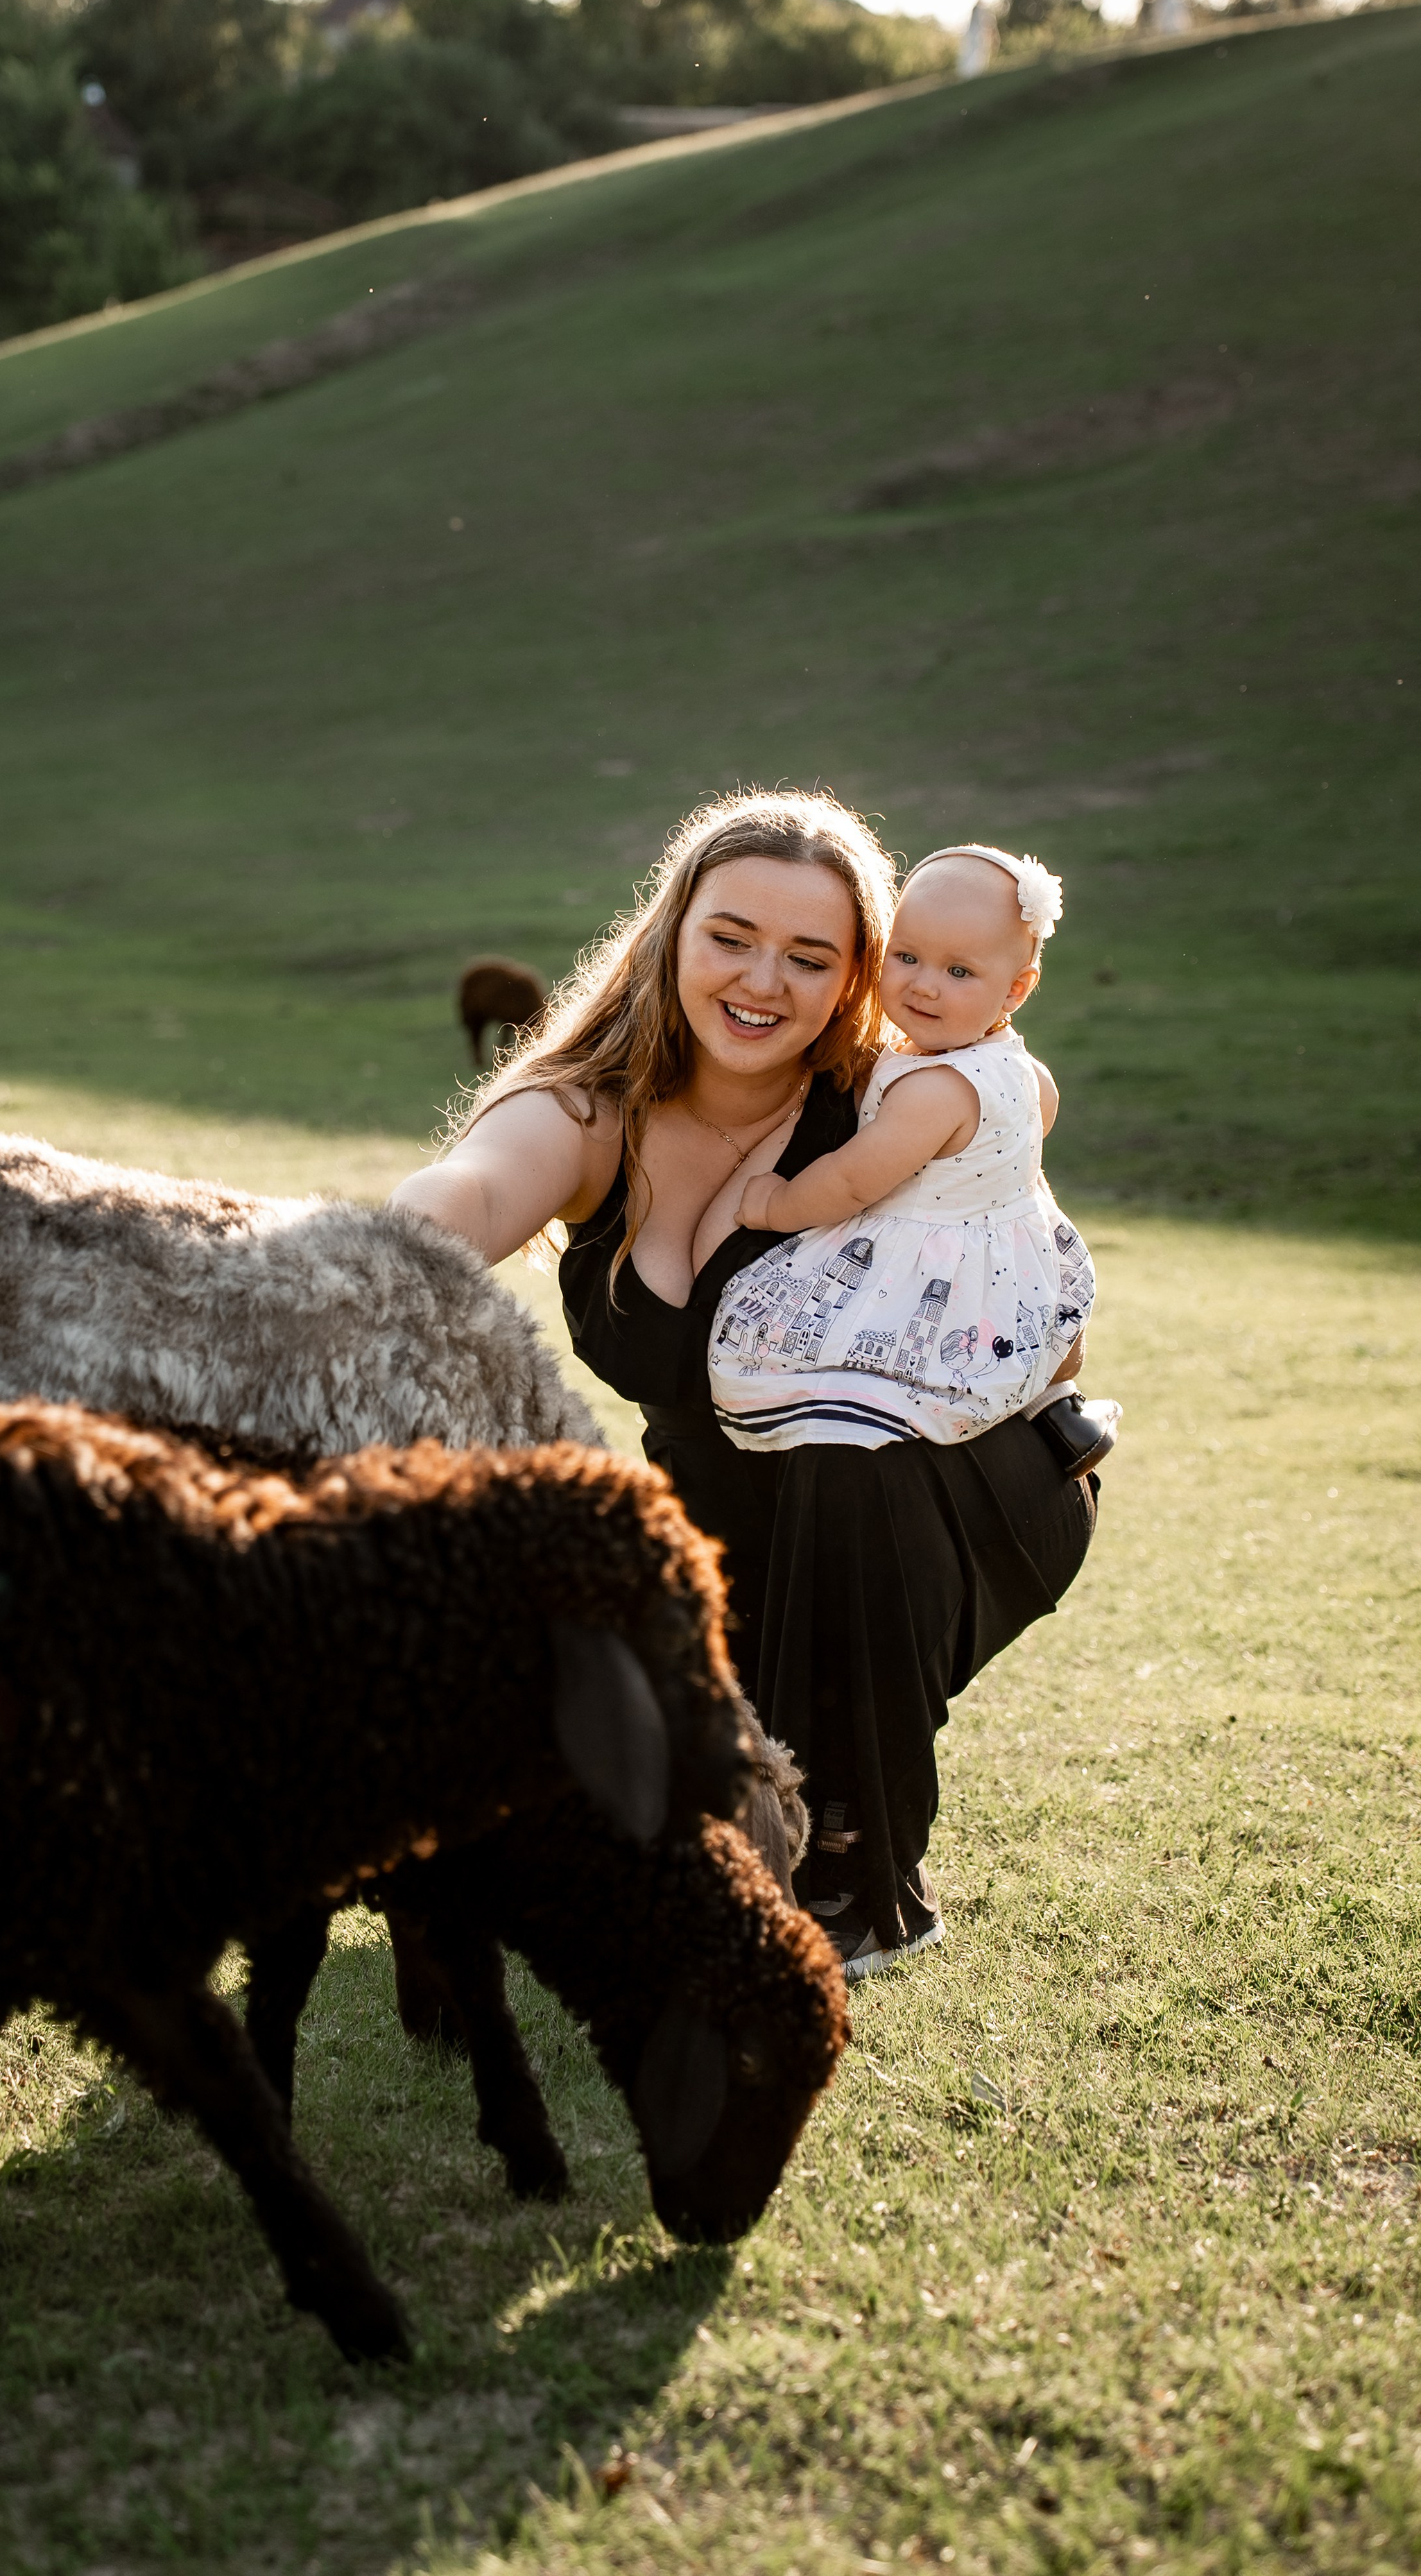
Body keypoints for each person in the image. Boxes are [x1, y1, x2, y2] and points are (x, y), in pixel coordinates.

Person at [389, 793, 1099, 1981]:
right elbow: (465, 1192)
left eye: (811, 956)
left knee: (845, 1454)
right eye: (732, 936)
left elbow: (1033, 1296)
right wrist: (368, 1250)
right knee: (615, 1837)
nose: (763, 979)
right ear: (672, 933)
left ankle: (868, 1880)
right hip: (736, 1562)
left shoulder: (899, 1103)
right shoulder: (583, 1111)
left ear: (854, 974)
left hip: (968, 1498)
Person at [708, 842, 1121, 1465]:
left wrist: (778, 1203)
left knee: (841, 1346)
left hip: (935, 1255)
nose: (924, 986)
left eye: (959, 973)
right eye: (906, 957)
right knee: (1024, 1345)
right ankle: (1056, 1410)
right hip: (1017, 1253)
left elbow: (853, 1181)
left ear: (1016, 989)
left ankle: (860, 1425)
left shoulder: (934, 1092)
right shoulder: (1027, 1074)